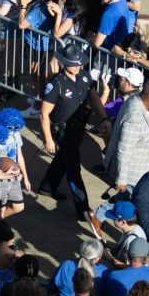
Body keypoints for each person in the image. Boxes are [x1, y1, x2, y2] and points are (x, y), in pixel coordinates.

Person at [39, 44, 103, 221]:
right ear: (64, 63)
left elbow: (93, 97)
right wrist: (49, 140)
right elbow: (44, 114)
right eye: (74, 63)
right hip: (63, 131)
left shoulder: (84, 76)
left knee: (64, 159)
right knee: (73, 169)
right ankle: (83, 209)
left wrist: (104, 117)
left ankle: (48, 186)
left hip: (79, 128)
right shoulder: (56, 85)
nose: (78, 66)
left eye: (79, 63)